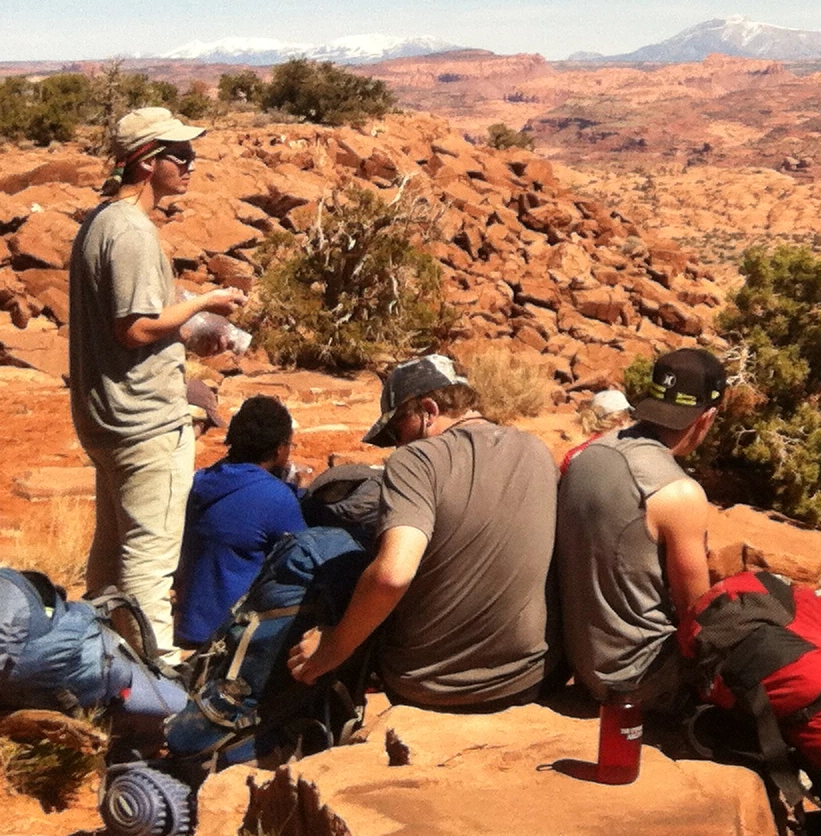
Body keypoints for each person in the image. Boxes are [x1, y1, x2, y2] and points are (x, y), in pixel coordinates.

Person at [67, 106, 244, 655]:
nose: (191, 164)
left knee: (110, 556)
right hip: (144, 421)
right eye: (180, 155)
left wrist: (189, 325)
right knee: (149, 561)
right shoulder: (132, 232)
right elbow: (136, 327)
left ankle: (98, 665)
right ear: (146, 162)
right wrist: (209, 301)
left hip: (105, 417)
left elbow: (137, 318)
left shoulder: (99, 222)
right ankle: (158, 690)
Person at [284, 354, 555, 711]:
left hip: (430, 684)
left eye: (399, 429)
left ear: (428, 410)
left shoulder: (416, 461)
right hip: (529, 679)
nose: (399, 444)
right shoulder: (537, 451)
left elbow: (392, 576)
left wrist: (333, 647)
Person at [555, 351, 727, 713]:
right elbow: (698, 616)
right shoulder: (678, 492)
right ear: (707, 418)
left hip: (581, 666)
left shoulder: (588, 454)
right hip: (643, 682)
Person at [171, 394, 305, 649]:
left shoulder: (201, 481)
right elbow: (303, 558)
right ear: (279, 449)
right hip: (233, 635)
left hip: (189, 625)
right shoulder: (276, 497)